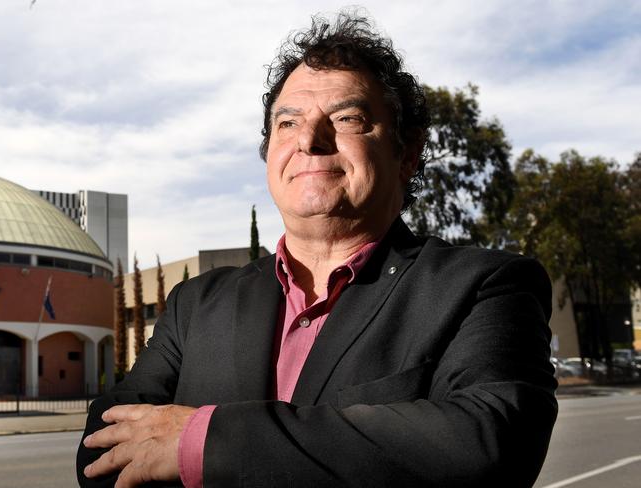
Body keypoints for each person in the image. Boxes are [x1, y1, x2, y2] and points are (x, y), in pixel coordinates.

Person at [77, 11, 557, 488]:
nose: (309, 139)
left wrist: (200, 442)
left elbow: (489, 441)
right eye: (286, 123)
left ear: (407, 153)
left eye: (347, 118)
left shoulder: (481, 287)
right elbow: (102, 451)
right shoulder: (196, 305)